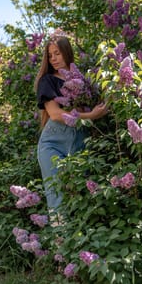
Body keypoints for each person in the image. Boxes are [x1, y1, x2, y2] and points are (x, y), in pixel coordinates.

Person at [34, 32, 107, 213]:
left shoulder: (81, 80)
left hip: (79, 144)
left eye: (57, 53)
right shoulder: (47, 80)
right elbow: (56, 115)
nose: (53, 59)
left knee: (81, 197)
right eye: (50, 56)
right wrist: (92, 116)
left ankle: (79, 240)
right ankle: (60, 240)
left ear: (67, 52)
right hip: (53, 145)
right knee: (57, 198)